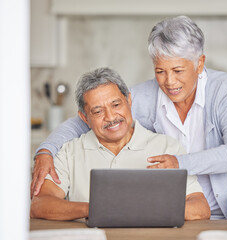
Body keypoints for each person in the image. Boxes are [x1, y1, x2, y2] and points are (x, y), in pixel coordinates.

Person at [31, 16, 227, 219]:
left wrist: (179, 164)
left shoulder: (223, 89)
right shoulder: (145, 96)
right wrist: (46, 151)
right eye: (160, 71)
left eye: (178, 70)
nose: (169, 82)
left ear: (199, 64)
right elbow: (86, 120)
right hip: (182, 209)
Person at [30, 67, 210, 221]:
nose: (110, 117)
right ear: (84, 117)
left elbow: (200, 207)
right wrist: (94, 209)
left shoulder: (167, 147)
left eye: (116, 104)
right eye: (98, 111)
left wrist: (143, 211)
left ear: (129, 101)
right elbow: (39, 205)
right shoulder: (70, 151)